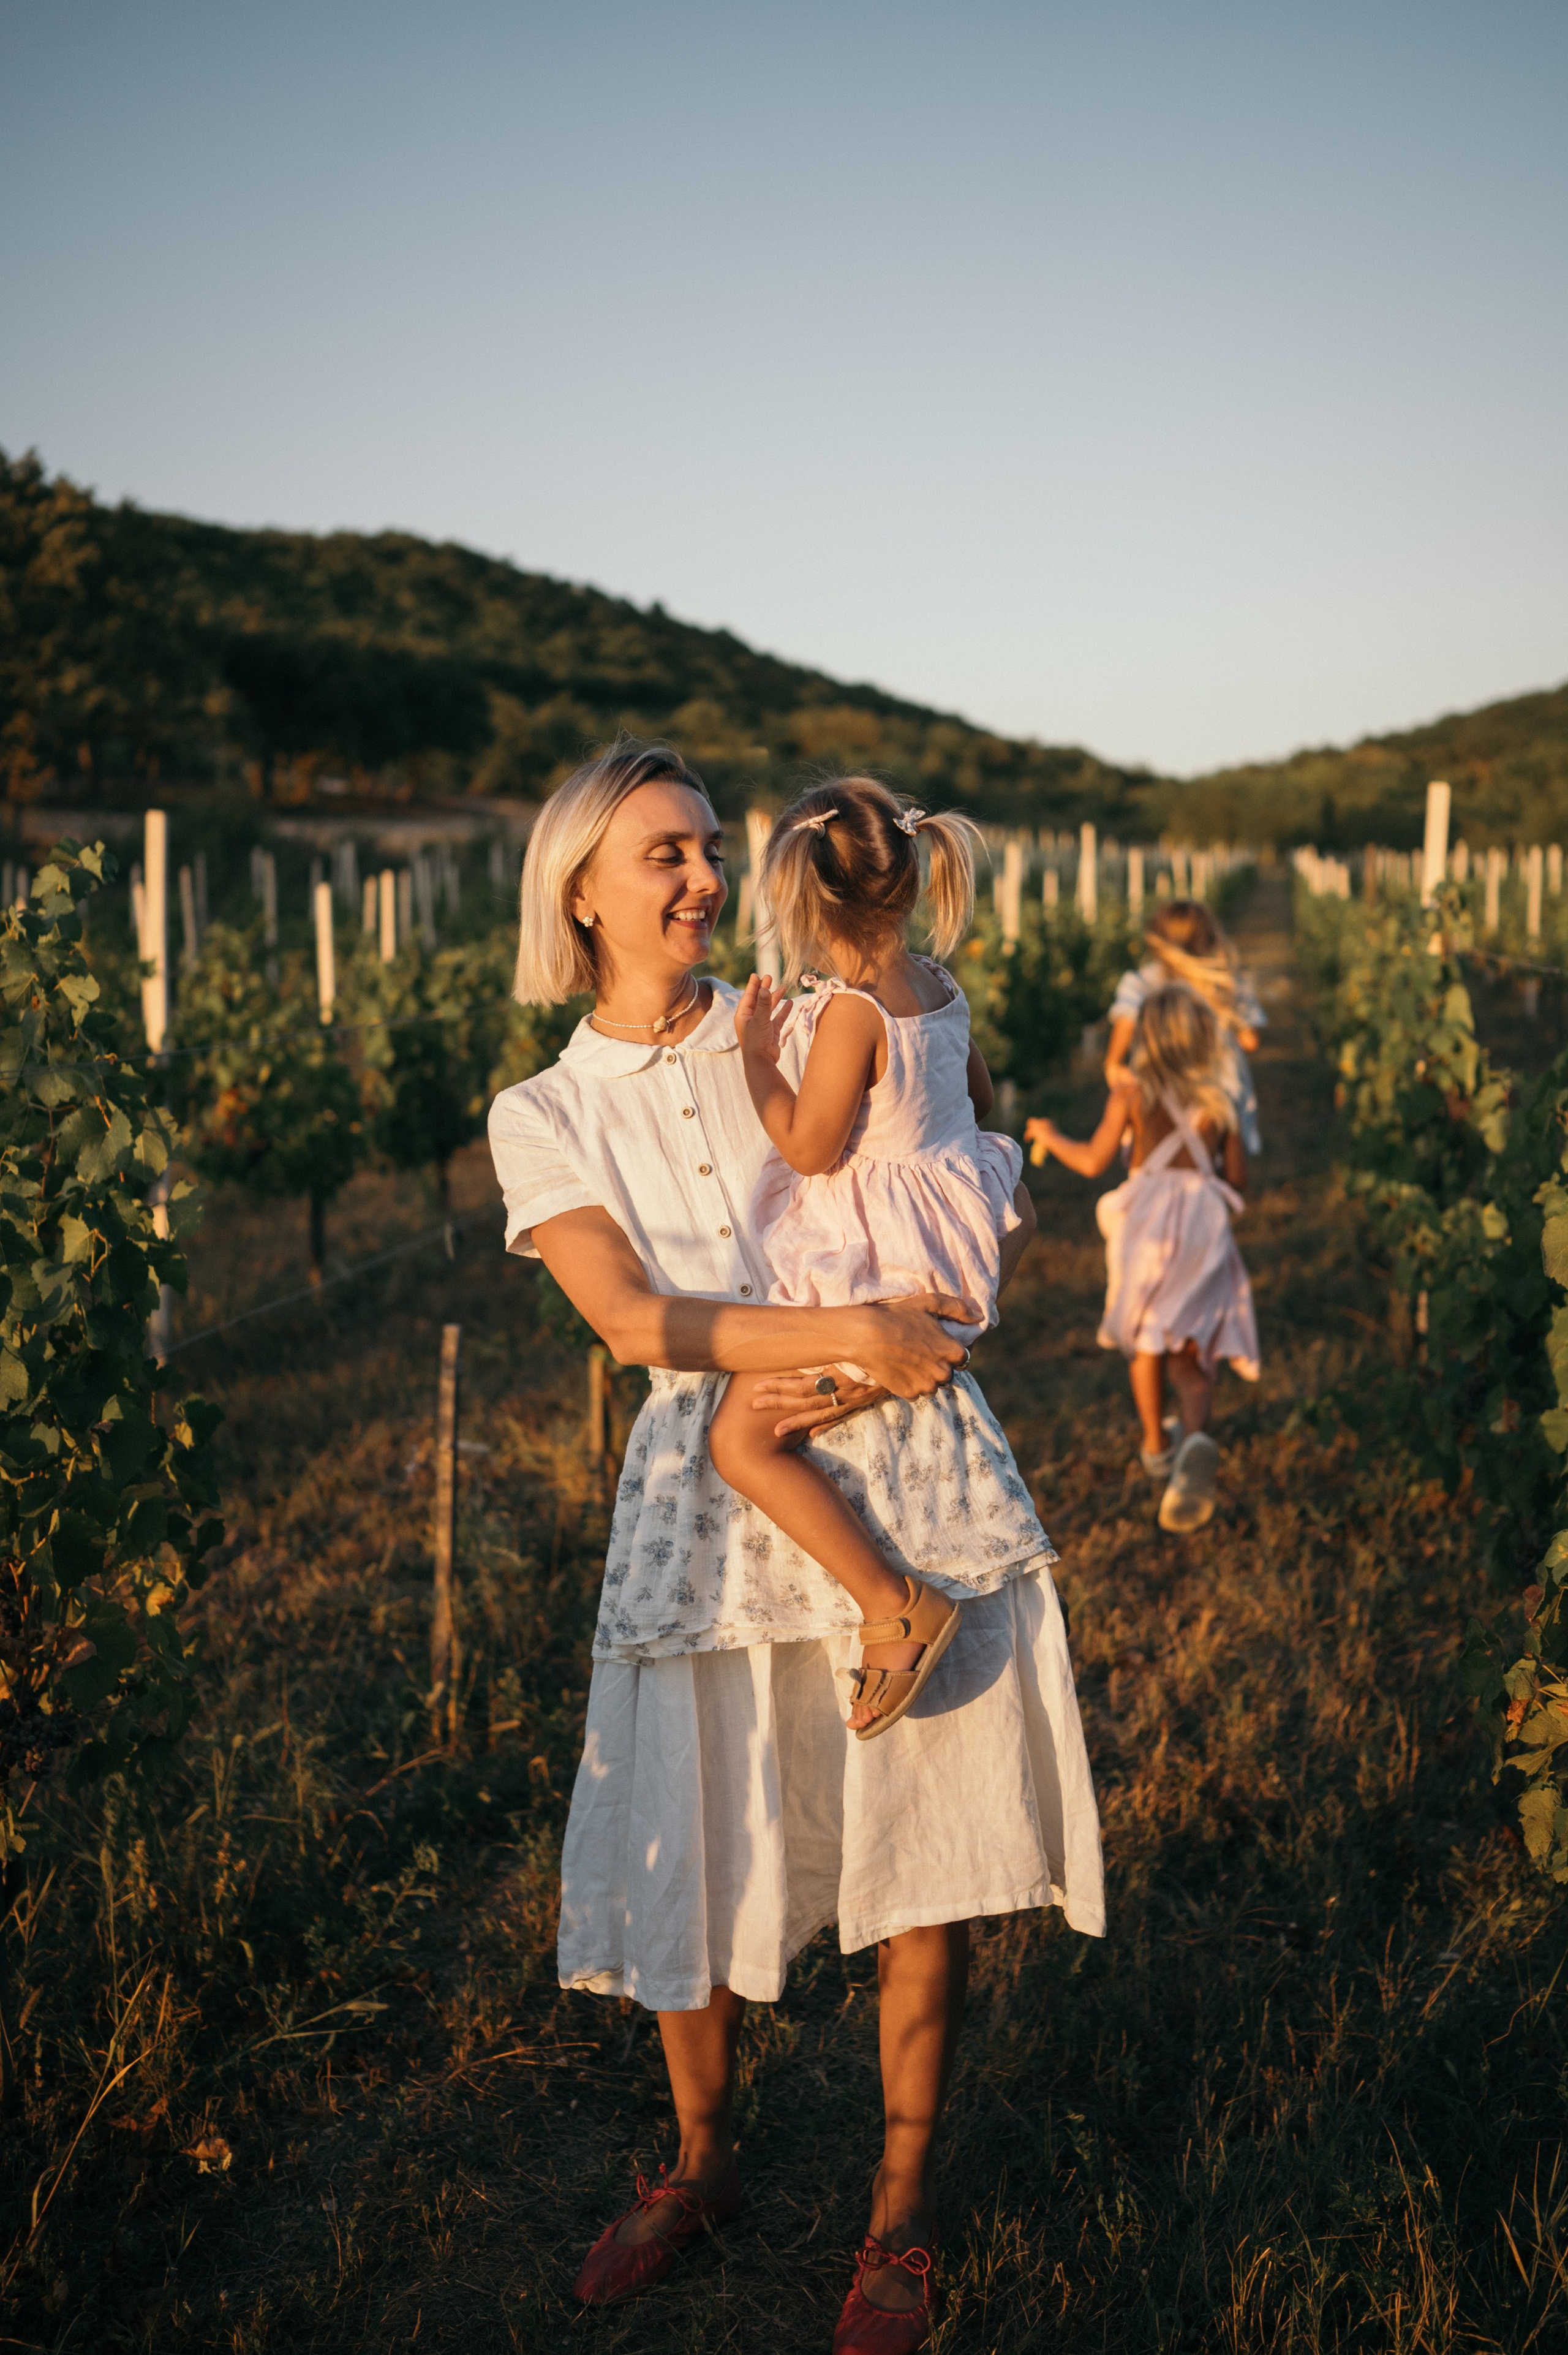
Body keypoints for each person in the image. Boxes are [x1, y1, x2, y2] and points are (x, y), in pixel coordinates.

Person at [488, 739, 1104, 2353]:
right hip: (711, 1477)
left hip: (889, 1448)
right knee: (687, 1836)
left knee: (925, 1841)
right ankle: (700, 2164)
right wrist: (854, 1323)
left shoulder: (794, 1014)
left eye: (705, 845)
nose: (698, 876)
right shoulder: (542, 1111)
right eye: (662, 854)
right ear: (581, 893)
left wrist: (932, 1307)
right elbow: (630, 1319)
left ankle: (897, 2216)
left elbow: (912, 1132)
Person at [708, 778, 1023, 1739]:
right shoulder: (940, 987)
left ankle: (895, 1604)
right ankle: (892, 1378)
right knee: (805, 1405)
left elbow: (807, 1147)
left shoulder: (850, 1014)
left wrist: (759, 1059)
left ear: (803, 902)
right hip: (944, 1226)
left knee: (741, 1440)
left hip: (874, 1255)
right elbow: (977, 1093)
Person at [1025, 983, 1259, 1535]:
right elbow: (1239, 1178)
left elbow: (1092, 1161)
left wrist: (1051, 1135)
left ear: (1146, 1040)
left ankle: (1157, 1446)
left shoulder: (1131, 1093)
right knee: (1192, 1343)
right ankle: (1196, 1437)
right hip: (1203, 1221)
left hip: (1147, 1228)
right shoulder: (1219, 1099)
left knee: (1144, 1336)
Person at [1104, 898, 1266, 1156]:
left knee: (1163, 1163)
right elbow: (1250, 1041)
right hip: (1218, 1093)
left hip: (1161, 1094)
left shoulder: (1142, 983)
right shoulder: (1226, 980)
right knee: (1221, 1166)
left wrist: (1124, 1078)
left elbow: (1115, 1059)